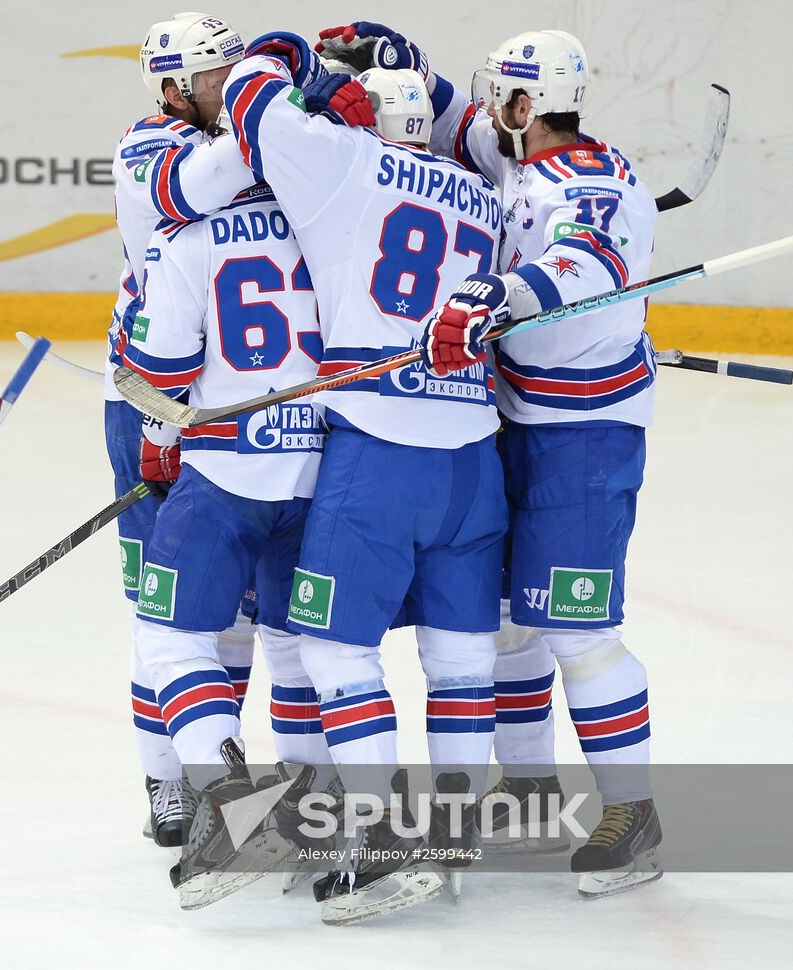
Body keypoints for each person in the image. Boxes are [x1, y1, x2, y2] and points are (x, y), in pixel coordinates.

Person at [323, 22, 663, 897]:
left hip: (582, 435)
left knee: (578, 631)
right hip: (512, 417)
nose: (488, 110)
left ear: (526, 103)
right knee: (512, 623)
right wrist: (397, 61)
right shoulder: (516, 151)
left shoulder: (592, 182)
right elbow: (449, 120)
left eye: (499, 95)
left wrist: (500, 291)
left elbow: (582, 265)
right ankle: (528, 791)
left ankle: (634, 816)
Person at [221, 35, 508, 924]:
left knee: (335, 653)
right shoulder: (483, 192)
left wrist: (284, 58)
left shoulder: (346, 164)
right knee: (461, 658)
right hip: (474, 454)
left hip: (380, 447)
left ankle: (381, 836)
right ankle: (451, 830)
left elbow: (247, 99)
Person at [125, 177, 328, 908]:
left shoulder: (190, 236)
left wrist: (157, 438)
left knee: (167, 638)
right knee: (298, 644)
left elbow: (164, 373)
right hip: (322, 471)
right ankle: (316, 813)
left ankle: (227, 798)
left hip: (226, 472)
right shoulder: (330, 211)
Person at [108, 11, 259, 848]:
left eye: (236, 71)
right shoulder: (147, 146)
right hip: (149, 398)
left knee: (231, 608)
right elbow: (201, 187)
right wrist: (281, 102)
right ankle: (170, 784)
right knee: (159, 610)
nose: (230, 86)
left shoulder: (233, 129)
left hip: (234, 403)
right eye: (216, 76)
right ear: (172, 88)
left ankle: (218, 769)